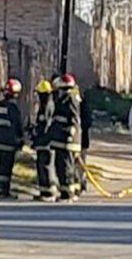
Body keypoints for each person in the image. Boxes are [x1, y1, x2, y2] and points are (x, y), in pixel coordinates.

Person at [48, 74, 83, 202]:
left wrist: (70, 134)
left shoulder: (71, 98)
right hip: (60, 140)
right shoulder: (65, 98)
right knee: (61, 167)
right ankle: (66, 191)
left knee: (66, 167)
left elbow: (74, 119)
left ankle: (68, 193)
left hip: (67, 141)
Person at [0, 79, 24, 200]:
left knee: (0, 166)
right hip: (10, 144)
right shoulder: (13, 107)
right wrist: (20, 140)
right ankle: (5, 191)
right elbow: (17, 125)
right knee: (6, 167)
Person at [31, 80, 56, 202]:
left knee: (46, 167)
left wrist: (39, 136)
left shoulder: (48, 106)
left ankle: (48, 193)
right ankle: (43, 191)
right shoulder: (44, 106)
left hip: (46, 143)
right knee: (41, 167)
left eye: (40, 94)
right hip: (42, 143)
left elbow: (46, 126)